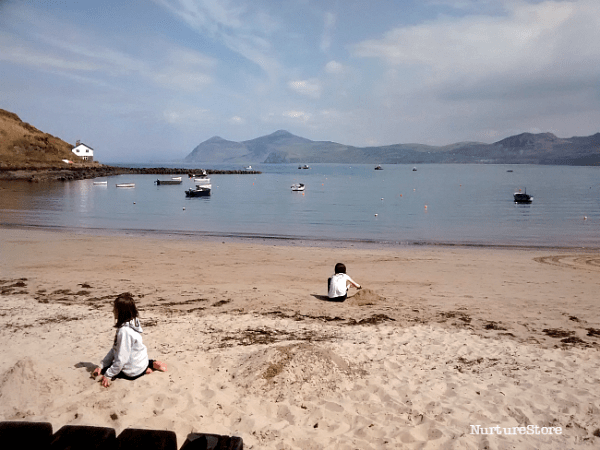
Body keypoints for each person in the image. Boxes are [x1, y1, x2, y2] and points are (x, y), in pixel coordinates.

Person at [92, 293, 166, 387]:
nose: (113, 311)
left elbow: (121, 358)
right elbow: (115, 349)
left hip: (132, 372)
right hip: (142, 361)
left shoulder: (124, 332)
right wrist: (101, 365)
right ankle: (149, 365)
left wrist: (107, 375)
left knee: (108, 370)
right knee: (106, 366)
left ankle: (143, 371)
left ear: (121, 312)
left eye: (115, 309)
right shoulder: (133, 323)